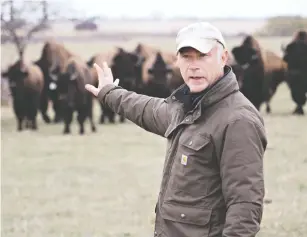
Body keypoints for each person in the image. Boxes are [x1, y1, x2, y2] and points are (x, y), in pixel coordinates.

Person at [85, 22, 268, 237]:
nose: (194, 65)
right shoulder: (186, 107)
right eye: (186, 57)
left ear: (223, 57)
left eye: (202, 56)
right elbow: (146, 108)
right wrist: (109, 92)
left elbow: (245, 206)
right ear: (177, 61)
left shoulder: (238, 120)